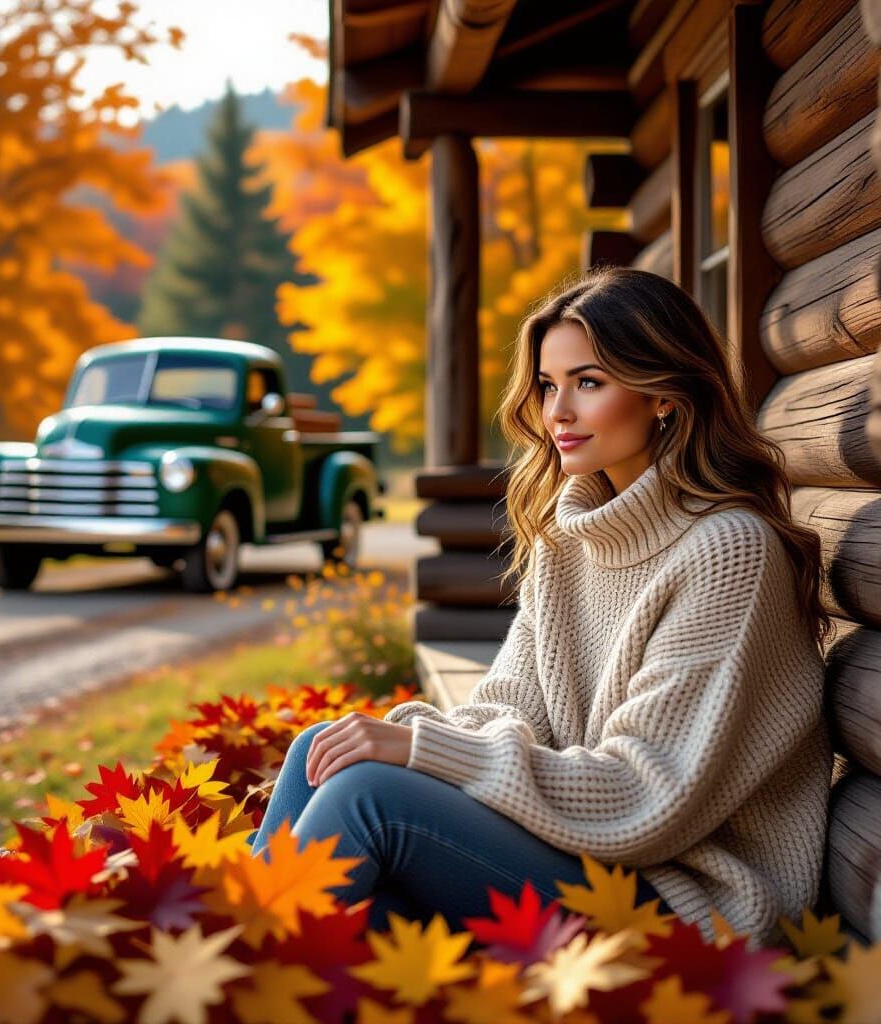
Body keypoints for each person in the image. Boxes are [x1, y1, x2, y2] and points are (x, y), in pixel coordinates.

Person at [247, 266, 834, 950]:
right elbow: (509, 707)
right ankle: (240, 965)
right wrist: (411, 739)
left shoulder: (728, 552)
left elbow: (648, 797)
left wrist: (421, 751)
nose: (557, 412)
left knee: (364, 799)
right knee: (321, 750)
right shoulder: (568, 539)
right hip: (583, 853)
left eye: (589, 382)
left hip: (682, 897)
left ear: (664, 396)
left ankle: (238, 973)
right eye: (550, 386)